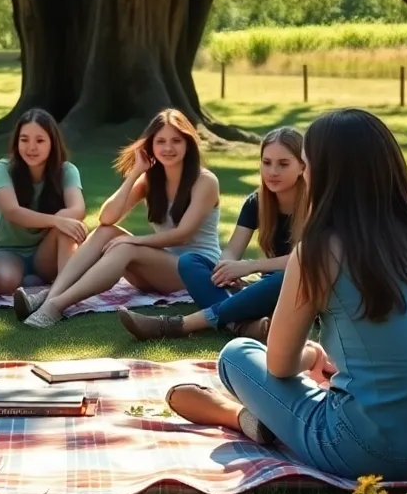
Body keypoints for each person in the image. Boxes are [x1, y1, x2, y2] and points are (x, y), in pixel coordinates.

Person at [166, 109, 407, 480]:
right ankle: (252, 417)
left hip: (366, 452)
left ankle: (235, 415)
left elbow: (280, 365)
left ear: (320, 173)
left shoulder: (319, 250)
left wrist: (313, 353)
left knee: (236, 356)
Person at [16, 109, 221, 329]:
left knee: (125, 247)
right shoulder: (151, 179)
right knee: (106, 232)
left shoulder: (205, 182)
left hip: (196, 273)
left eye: (176, 141)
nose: (168, 148)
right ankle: (51, 294)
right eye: (160, 141)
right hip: (157, 270)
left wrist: (133, 241)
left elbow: (182, 235)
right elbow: (107, 217)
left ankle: (56, 306)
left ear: (188, 144)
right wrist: (135, 173)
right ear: (150, 145)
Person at [119, 127, 305, 342]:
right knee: (189, 262)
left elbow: (308, 261)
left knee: (287, 279)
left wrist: (251, 266)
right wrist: (226, 269)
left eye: (283, 164)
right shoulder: (257, 202)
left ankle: (177, 325)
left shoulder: (317, 205)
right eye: (266, 162)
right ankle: (242, 326)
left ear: (302, 166)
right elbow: (233, 250)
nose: (273, 171)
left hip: (299, 288)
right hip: (264, 285)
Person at [0, 108, 86, 297]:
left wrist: (60, 221)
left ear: (52, 143)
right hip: (10, 250)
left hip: (47, 252)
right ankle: (35, 283)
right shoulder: (2, 168)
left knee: (67, 226)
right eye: (24, 140)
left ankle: (63, 294)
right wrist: (55, 220)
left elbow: (78, 208)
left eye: (40, 141)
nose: (31, 147)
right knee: (3, 283)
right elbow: (12, 212)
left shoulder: (66, 170)